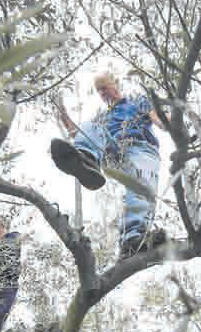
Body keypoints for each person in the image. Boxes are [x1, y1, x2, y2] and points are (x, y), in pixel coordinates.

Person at [50, 73, 170, 258]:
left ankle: (133, 238)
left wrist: (173, 126)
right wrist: (63, 113)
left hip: (140, 147)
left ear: (115, 85)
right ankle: (87, 160)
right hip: (114, 151)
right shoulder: (104, 116)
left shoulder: (136, 101)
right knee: (91, 125)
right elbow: (77, 132)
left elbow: (157, 117)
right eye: (99, 91)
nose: (102, 94)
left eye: (104, 88)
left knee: (140, 187)